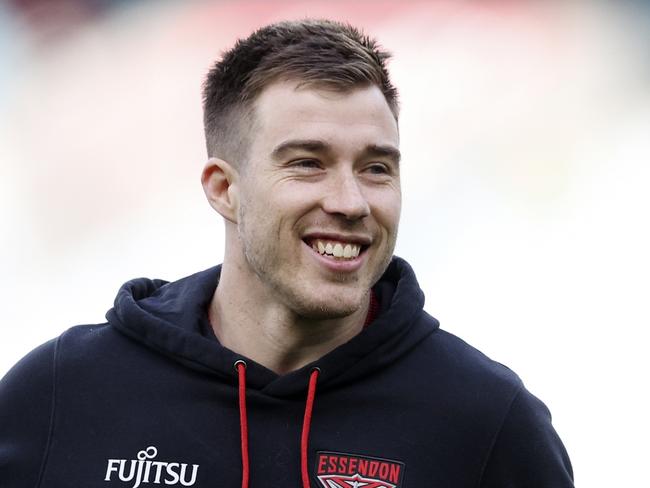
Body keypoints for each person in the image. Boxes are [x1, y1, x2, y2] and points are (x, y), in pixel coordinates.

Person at [0, 19, 573, 488]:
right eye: (307, 163)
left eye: (376, 168)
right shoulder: (59, 394)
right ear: (225, 188)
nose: (350, 202)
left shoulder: (489, 422)